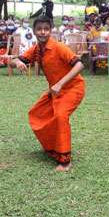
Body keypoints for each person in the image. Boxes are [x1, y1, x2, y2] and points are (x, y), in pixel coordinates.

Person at [10, 16, 85, 171]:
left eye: (46, 29)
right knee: (36, 113)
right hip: (55, 90)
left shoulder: (58, 47)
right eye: (39, 29)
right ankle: (52, 148)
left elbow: (79, 65)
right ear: (34, 31)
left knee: (60, 116)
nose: (42, 32)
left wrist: (59, 83)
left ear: (51, 30)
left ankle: (65, 160)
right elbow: (15, 59)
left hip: (73, 88)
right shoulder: (37, 49)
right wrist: (18, 62)